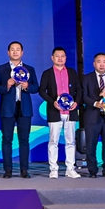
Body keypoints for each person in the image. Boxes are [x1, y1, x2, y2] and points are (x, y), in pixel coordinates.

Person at [0, 41, 40, 178]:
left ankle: (24, 170)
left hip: (24, 108)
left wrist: (27, 86)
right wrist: (7, 85)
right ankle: (8, 170)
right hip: (7, 108)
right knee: (7, 139)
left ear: (22, 52)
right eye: (12, 49)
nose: (15, 52)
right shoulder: (0, 70)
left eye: (18, 49)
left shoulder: (29, 69)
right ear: (8, 52)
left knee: (24, 140)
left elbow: (36, 87)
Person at [39, 47, 82, 179]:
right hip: (55, 111)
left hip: (70, 112)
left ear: (66, 58)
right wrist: (52, 102)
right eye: (57, 56)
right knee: (53, 141)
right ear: (52, 58)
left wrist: (76, 102)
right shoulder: (47, 73)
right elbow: (42, 91)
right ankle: (53, 169)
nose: (60, 58)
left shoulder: (72, 72)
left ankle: (70, 168)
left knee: (71, 141)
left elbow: (79, 90)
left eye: (62, 56)